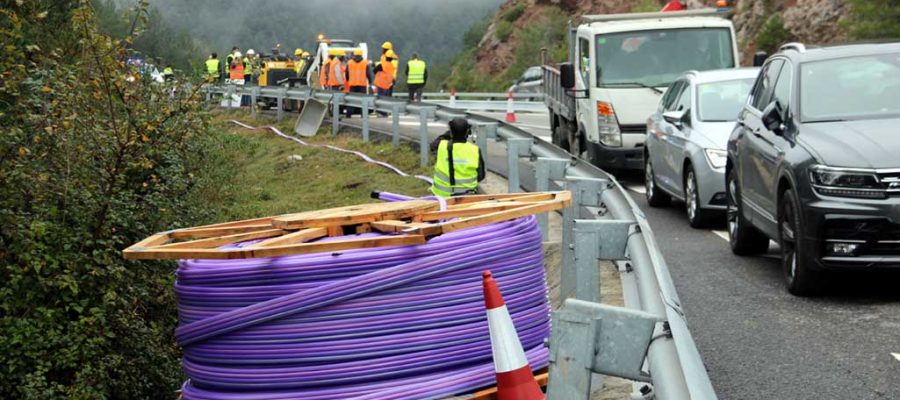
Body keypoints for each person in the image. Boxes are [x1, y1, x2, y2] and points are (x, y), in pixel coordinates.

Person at [429, 117, 485, 197]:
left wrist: (451, 131)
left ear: (451, 131)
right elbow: (481, 176)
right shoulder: (475, 150)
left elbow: (433, 145)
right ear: (467, 132)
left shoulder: (441, 145)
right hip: (467, 196)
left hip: (441, 197)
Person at [345, 48, 373, 117]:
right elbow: (369, 74)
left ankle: (349, 114)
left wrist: (348, 80)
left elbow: (346, 73)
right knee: (363, 100)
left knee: (351, 100)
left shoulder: (349, 62)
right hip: (362, 84)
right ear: (361, 55)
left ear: (354, 54)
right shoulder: (365, 63)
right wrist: (370, 82)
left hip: (352, 84)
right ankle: (363, 114)